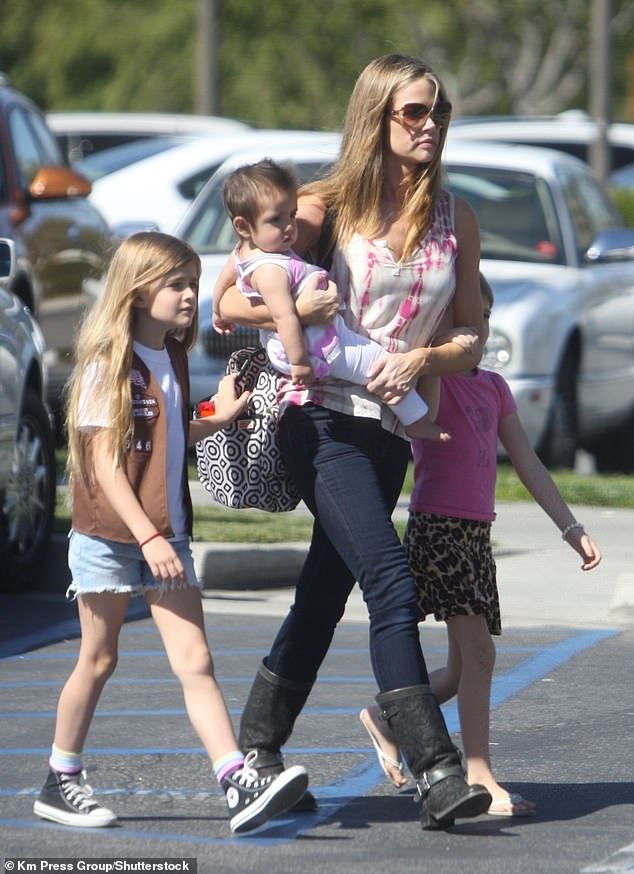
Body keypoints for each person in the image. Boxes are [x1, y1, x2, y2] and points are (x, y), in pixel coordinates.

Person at [216, 53, 494, 832]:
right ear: (377, 116)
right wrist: (292, 316)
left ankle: (259, 749)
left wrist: (426, 357)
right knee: (390, 580)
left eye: (438, 110)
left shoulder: (456, 217)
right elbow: (231, 297)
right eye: (414, 111)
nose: (430, 124)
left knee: (324, 591)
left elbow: (472, 335)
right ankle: (436, 772)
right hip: (321, 421)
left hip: (391, 433)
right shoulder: (320, 207)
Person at [32, 231, 308, 836]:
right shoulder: (109, 361)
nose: (189, 295)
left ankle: (235, 780)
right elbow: (105, 463)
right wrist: (148, 539)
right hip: (110, 536)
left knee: (197, 661)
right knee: (99, 657)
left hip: (167, 534)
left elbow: (169, 434)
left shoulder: (173, 358)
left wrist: (217, 416)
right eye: (175, 284)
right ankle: (61, 778)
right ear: (136, 292)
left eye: (192, 282)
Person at [359, 273, 602, 816]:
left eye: (484, 319)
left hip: (475, 534)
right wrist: (432, 349)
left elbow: (529, 463)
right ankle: (481, 776)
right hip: (438, 529)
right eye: (463, 320)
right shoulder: (431, 381)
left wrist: (571, 528)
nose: (478, 331)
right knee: (482, 656)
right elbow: (427, 377)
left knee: (461, 668)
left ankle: (387, 715)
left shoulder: (495, 387)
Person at [213, 157, 448, 441]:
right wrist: (300, 364)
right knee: (382, 364)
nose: (289, 226)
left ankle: (416, 417)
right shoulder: (270, 271)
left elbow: (225, 281)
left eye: (291, 214)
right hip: (316, 345)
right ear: (242, 226)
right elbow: (284, 317)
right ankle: (418, 420)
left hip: (316, 338)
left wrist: (217, 309)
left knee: (378, 367)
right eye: (276, 219)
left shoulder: (244, 252)